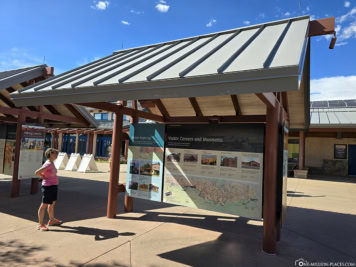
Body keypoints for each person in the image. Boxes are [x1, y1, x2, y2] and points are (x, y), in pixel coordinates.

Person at [35, 148, 63, 231]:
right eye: (55, 153)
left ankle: (51, 220)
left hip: (54, 186)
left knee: (52, 204)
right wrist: (42, 176)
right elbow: (37, 172)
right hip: (48, 187)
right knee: (44, 205)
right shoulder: (48, 164)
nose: (57, 155)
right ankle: (40, 224)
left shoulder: (52, 163)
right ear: (50, 154)